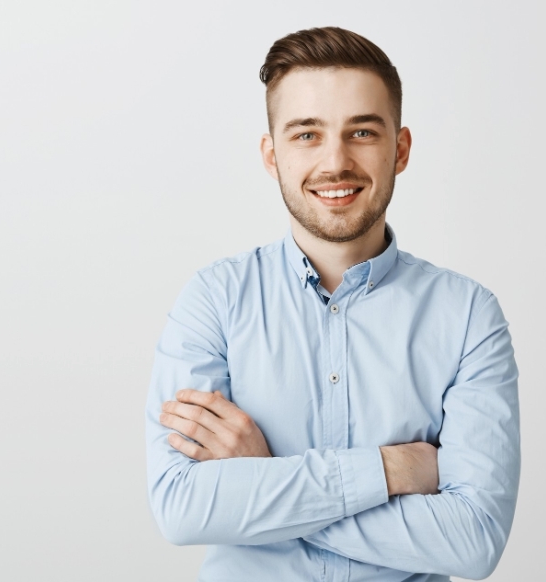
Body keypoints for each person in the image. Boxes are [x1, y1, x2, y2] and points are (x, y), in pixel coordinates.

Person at [144, 27, 520, 581]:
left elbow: (473, 540)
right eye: (307, 135)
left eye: (362, 132)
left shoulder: (467, 316)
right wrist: (388, 471)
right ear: (272, 156)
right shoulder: (215, 301)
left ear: (401, 148)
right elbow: (182, 508)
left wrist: (265, 479)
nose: (335, 161)